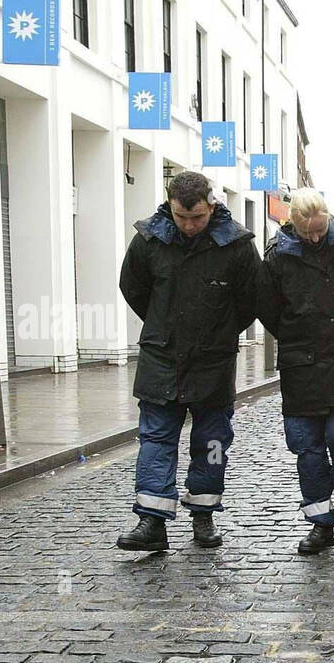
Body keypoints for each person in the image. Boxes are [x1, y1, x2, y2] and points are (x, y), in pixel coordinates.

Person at [116, 170, 259, 552]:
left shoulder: (238, 245)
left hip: (213, 361)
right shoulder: (149, 240)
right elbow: (133, 288)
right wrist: (165, 323)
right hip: (161, 358)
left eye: (197, 217)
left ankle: (204, 514)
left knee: (211, 442)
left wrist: (219, 331)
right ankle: (151, 521)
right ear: (170, 206)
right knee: (155, 440)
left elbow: (251, 299)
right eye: (182, 217)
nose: (190, 225)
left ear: (212, 206)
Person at [257, 189, 334, 555]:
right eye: (305, 232)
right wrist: (300, 336)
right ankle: (319, 524)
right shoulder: (278, 258)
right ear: (292, 224)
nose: (313, 238)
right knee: (308, 450)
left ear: (328, 218)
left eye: (318, 230)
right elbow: (268, 308)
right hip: (303, 369)